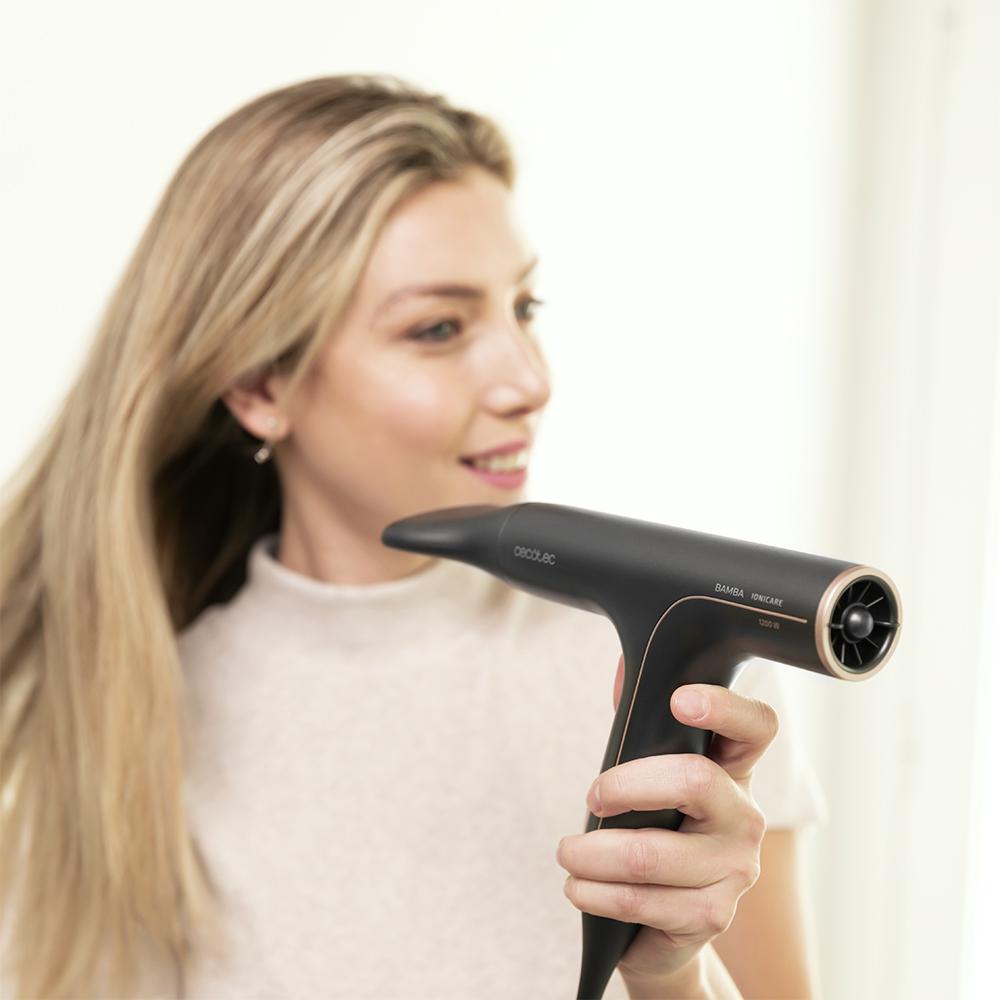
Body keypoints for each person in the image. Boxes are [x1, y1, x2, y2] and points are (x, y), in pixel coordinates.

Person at [0, 74, 827, 999]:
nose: (528, 381)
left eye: (523, 309)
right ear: (261, 388)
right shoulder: (124, 716)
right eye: (438, 328)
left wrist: (671, 972)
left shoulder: (677, 683)